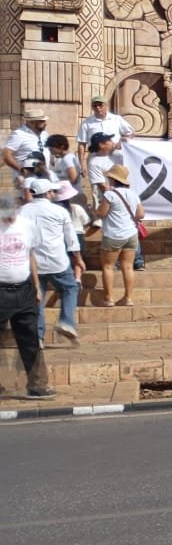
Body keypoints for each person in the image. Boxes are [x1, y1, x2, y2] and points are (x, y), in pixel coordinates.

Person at [0, 192, 56, 399]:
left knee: (30, 338)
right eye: (5, 216)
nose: (9, 219)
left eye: (11, 215)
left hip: (24, 290)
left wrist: (36, 285)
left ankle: (38, 385)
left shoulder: (26, 225)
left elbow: (30, 255)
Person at [19, 178, 82, 343]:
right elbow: (71, 238)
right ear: (47, 193)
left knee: (37, 298)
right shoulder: (59, 211)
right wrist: (78, 258)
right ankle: (66, 321)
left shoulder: (22, 211)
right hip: (57, 260)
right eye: (52, 191)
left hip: (31, 262)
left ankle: (37, 336)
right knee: (70, 288)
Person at [95, 164, 143, 307]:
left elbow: (101, 213)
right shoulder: (133, 194)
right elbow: (141, 214)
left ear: (113, 179)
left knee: (108, 266)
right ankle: (128, 298)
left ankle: (109, 298)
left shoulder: (110, 195)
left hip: (113, 234)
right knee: (128, 267)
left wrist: (93, 210)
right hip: (131, 234)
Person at [76, 95, 134, 170]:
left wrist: (121, 142)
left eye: (100, 105)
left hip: (115, 157)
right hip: (96, 158)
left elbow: (131, 133)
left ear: (106, 106)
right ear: (92, 107)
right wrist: (82, 165)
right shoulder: (86, 123)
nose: (98, 107)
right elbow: (81, 144)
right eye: (95, 106)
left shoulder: (116, 119)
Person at [4, 108, 49, 187]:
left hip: (43, 178)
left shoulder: (44, 134)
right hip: (26, 181)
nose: (45, 123)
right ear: (32, 122)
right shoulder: (18, 134)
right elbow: (6, 155)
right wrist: (21, 169)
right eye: (42, 121)